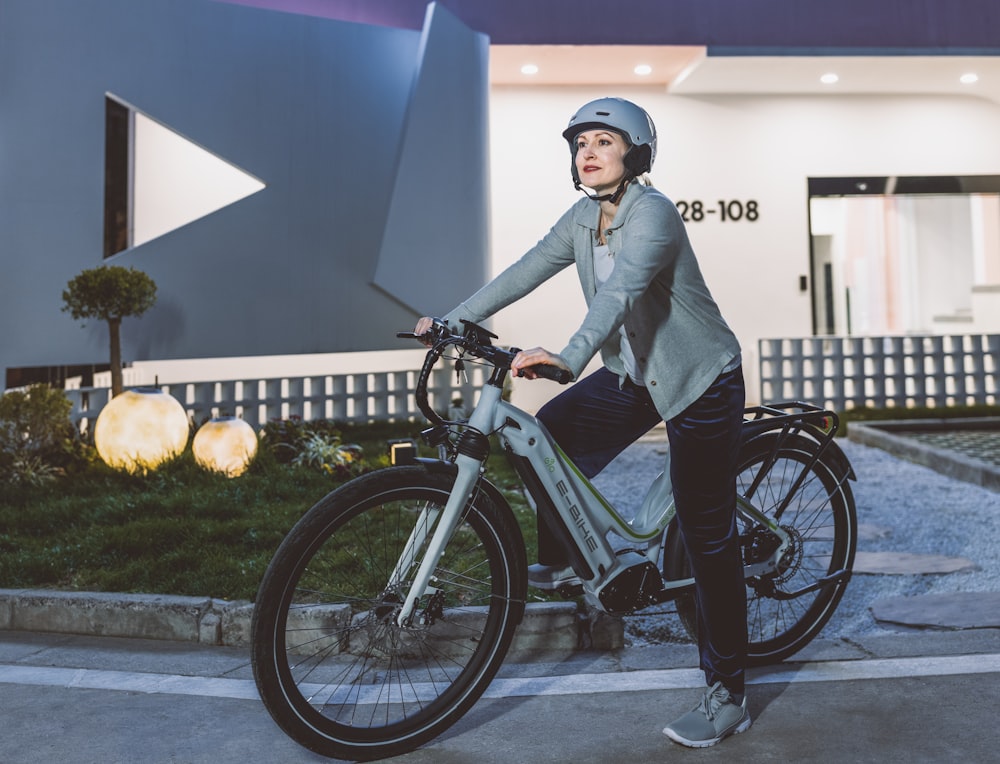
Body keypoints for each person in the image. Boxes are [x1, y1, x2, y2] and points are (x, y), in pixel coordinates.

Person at [414, 97, 749, 748]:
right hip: (634, 374)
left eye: (604, 141)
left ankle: (728, 692)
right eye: (580, 143)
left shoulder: (654, 215)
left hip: (697, 379)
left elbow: (622, 292)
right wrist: (455, 319)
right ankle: (569, 560)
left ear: (635, 154)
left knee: (707, 538)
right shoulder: (582, 218)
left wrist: (568, 357)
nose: (588, 152)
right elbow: (525, 271)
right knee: (550, 434)